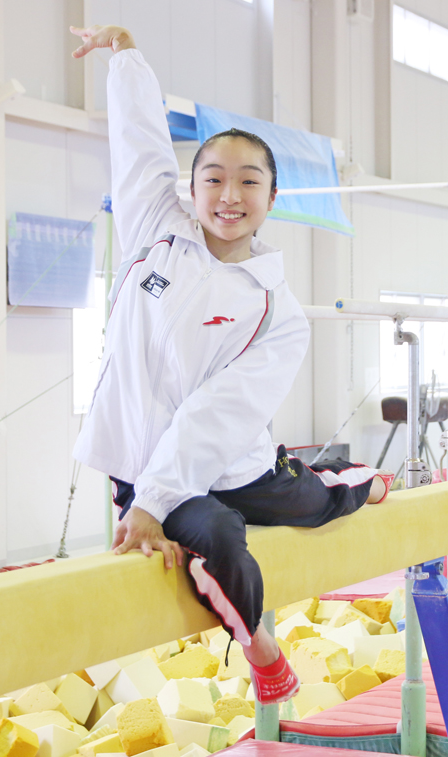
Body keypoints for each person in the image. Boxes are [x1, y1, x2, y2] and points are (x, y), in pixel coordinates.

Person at [70, 24, 394, 705]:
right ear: (189, 189)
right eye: (213, 179)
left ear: (272, 199)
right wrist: (128, 56)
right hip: (150, 460)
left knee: (316, 503)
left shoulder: (278, 310)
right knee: (218, 534)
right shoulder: (152, 227)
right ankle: (264, 652)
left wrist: (156, 503)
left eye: (249, 182)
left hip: (238, 460)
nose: (228, 195)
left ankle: (356, 480)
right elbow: (137, 142)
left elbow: (216, 414)